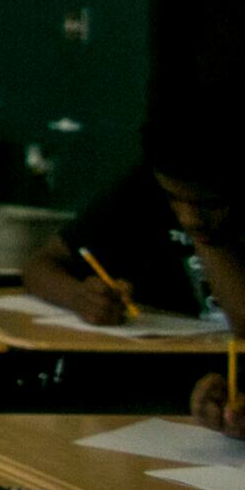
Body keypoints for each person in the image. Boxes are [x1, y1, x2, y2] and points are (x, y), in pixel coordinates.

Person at [22, 80, 245, 440]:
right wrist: (80, 297)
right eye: (175, 200)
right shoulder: (146, 185)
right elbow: (40, 266)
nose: (189, 217)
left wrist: (210, 241)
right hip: (164, 406)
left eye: (208, 204)